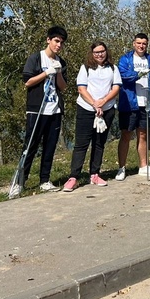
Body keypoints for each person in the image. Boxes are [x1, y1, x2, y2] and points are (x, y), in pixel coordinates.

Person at [63, 41, 122, 192]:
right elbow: (81, 89)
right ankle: (73, 177)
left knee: (99, 143)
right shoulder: (86, 68)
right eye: (96, 52)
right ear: (92, 54)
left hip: (107, 110)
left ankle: (95, 173)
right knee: (81, 144)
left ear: (106, 52)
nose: (100, 54)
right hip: (86, 109)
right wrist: (95, 104)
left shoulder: (113, 68)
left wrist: (104, 101)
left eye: (102, 51)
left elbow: (116, 88)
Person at [19, 25, 68, 194]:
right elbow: (28, 82)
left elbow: (63, 88)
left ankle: (45, 180)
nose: (58, 45)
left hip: (54, 110)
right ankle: (21, 181)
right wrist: (47, 73)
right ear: (48, 40)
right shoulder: (36, 58)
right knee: (31, 145)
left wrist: (59, 72)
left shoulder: (61, 61)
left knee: (50, 146)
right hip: (37, 109)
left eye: (61, 42)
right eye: (56, 41)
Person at [117, 33, 150, 181]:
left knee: (143, 135)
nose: (141, 46)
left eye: (144, 43)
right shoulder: (125, 59)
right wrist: (141, 73)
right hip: (130, 103)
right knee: (126, 135)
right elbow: (124, 76)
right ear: (133, 44)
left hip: (147, 102)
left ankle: (143, 166)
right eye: (138, 43)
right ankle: (121, 168)